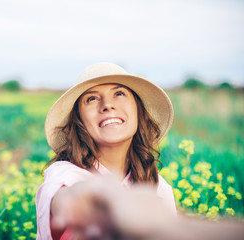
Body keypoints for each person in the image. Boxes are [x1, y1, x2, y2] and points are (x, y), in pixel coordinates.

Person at [35, 62, 176, 239]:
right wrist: (85, 203)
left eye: (119, 94)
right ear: (79, 120)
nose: (107, 105)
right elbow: (65, 199)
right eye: (91, 98)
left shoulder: (160, 189)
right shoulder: (65, 174)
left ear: (138, 110)